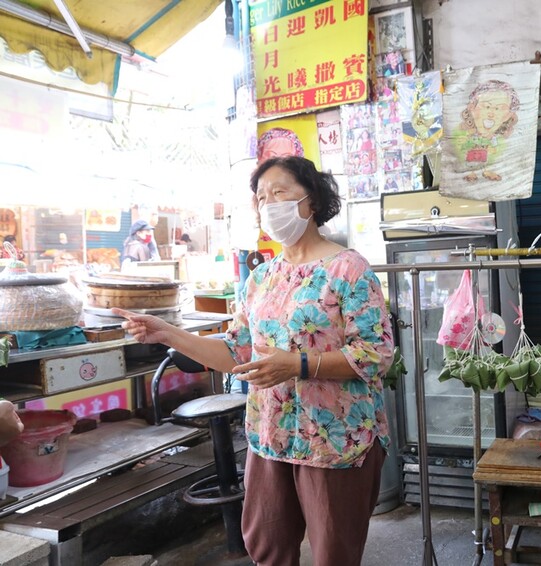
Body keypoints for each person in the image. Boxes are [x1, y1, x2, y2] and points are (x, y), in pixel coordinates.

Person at [114, 155, 394, 566]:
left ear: (312, 200)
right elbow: (236, 352)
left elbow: (376, 354)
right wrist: (167, 333)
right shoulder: (262, 278)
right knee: (267, 548)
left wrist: (298, 365)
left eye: (280, 192)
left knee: (334, 554)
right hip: (270, 435)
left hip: (335, 439)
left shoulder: (348, 269)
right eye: (262, 198)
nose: (269, 204)